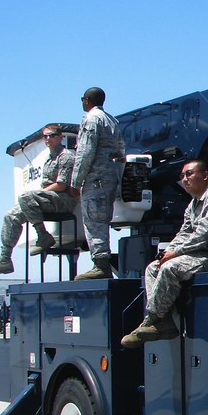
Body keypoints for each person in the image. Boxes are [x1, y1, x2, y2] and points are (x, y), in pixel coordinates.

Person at [121, 160, 208, 348]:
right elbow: (184, 232)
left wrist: (175, 253)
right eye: (182, 176)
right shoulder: (193, 204)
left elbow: (205, 234)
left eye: (189, 174)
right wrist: (167, 252)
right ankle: (164, 322)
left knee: (171, 268)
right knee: (153, 268)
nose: (185, 180)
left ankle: (153, 319)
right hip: (194, 253)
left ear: (204, 175)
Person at [0, 124, 77, 275]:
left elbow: (61, 185)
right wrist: (38, 194)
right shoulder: (49, 157)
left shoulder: (66, 156)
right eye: (45, 136)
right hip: (48, 199)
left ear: (60, 137)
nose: (48, 139)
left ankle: (43, 235)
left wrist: (39, 193)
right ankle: (5, 259)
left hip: (63, 199)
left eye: (52, 135)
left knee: (26, 196)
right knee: (11, 215)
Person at [70, 87, 125, 280]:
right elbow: (120, 151)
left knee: (93, 221)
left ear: (87, 100)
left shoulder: (92, 119)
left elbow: (85, 152)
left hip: (95, 179)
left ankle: (101, 265)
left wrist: (76, 182)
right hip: (110, 179)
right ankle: (102, 264)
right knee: (102, 219)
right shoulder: (112, 120)